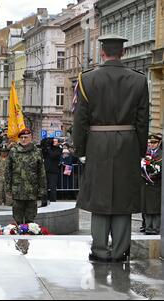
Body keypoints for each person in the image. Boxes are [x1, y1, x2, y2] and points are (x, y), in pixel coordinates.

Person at [73, 34, 149, 263]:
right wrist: (140, 149)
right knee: (123, 200)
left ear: (101, 53)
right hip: (128, 143)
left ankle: (100, 250)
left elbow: (80, 120)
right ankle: (120, 251)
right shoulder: (139, 80)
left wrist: (81, 149)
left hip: (97, 143)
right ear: (123, 53)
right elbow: (143, 120)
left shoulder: (87, 79)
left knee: (99, 199)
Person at [5, 128, 47, 224]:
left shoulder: (37, 152)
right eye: (21, 137)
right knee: (17, 217)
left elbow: (41, 172)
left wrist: (42, 189)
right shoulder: (13, 151)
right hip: (17, 189)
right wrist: (8, 188)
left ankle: (29, 234)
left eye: (26, 137)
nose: (23, 139)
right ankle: (19, 234)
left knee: (31, 217)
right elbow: (8, 171)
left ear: (31, 138)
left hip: (32, 189)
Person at [140, 134, 162, 235]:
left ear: (159, 143)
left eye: (154, 143)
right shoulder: (145, 153)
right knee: (147, 207)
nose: (151, 145)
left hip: (157, 184)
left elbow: (159, 169)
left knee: (156, 208)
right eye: (150, 143)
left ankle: (156, 228)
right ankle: (148, 227)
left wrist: (153, 174)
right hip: (146, 184)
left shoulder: (161, 154)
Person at [42, 138, 62, 203]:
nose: (53, 142)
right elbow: (44, 155)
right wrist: (45, 147)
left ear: (58, 143)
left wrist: (48, 148)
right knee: (44, 187)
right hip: (46, 170)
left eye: (55, 141)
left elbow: (53, 155)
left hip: (53, 171)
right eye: (53, 141)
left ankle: (53, 201)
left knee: (53, 187)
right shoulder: (48, 148)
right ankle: (44, 201)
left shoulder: (59, 149)